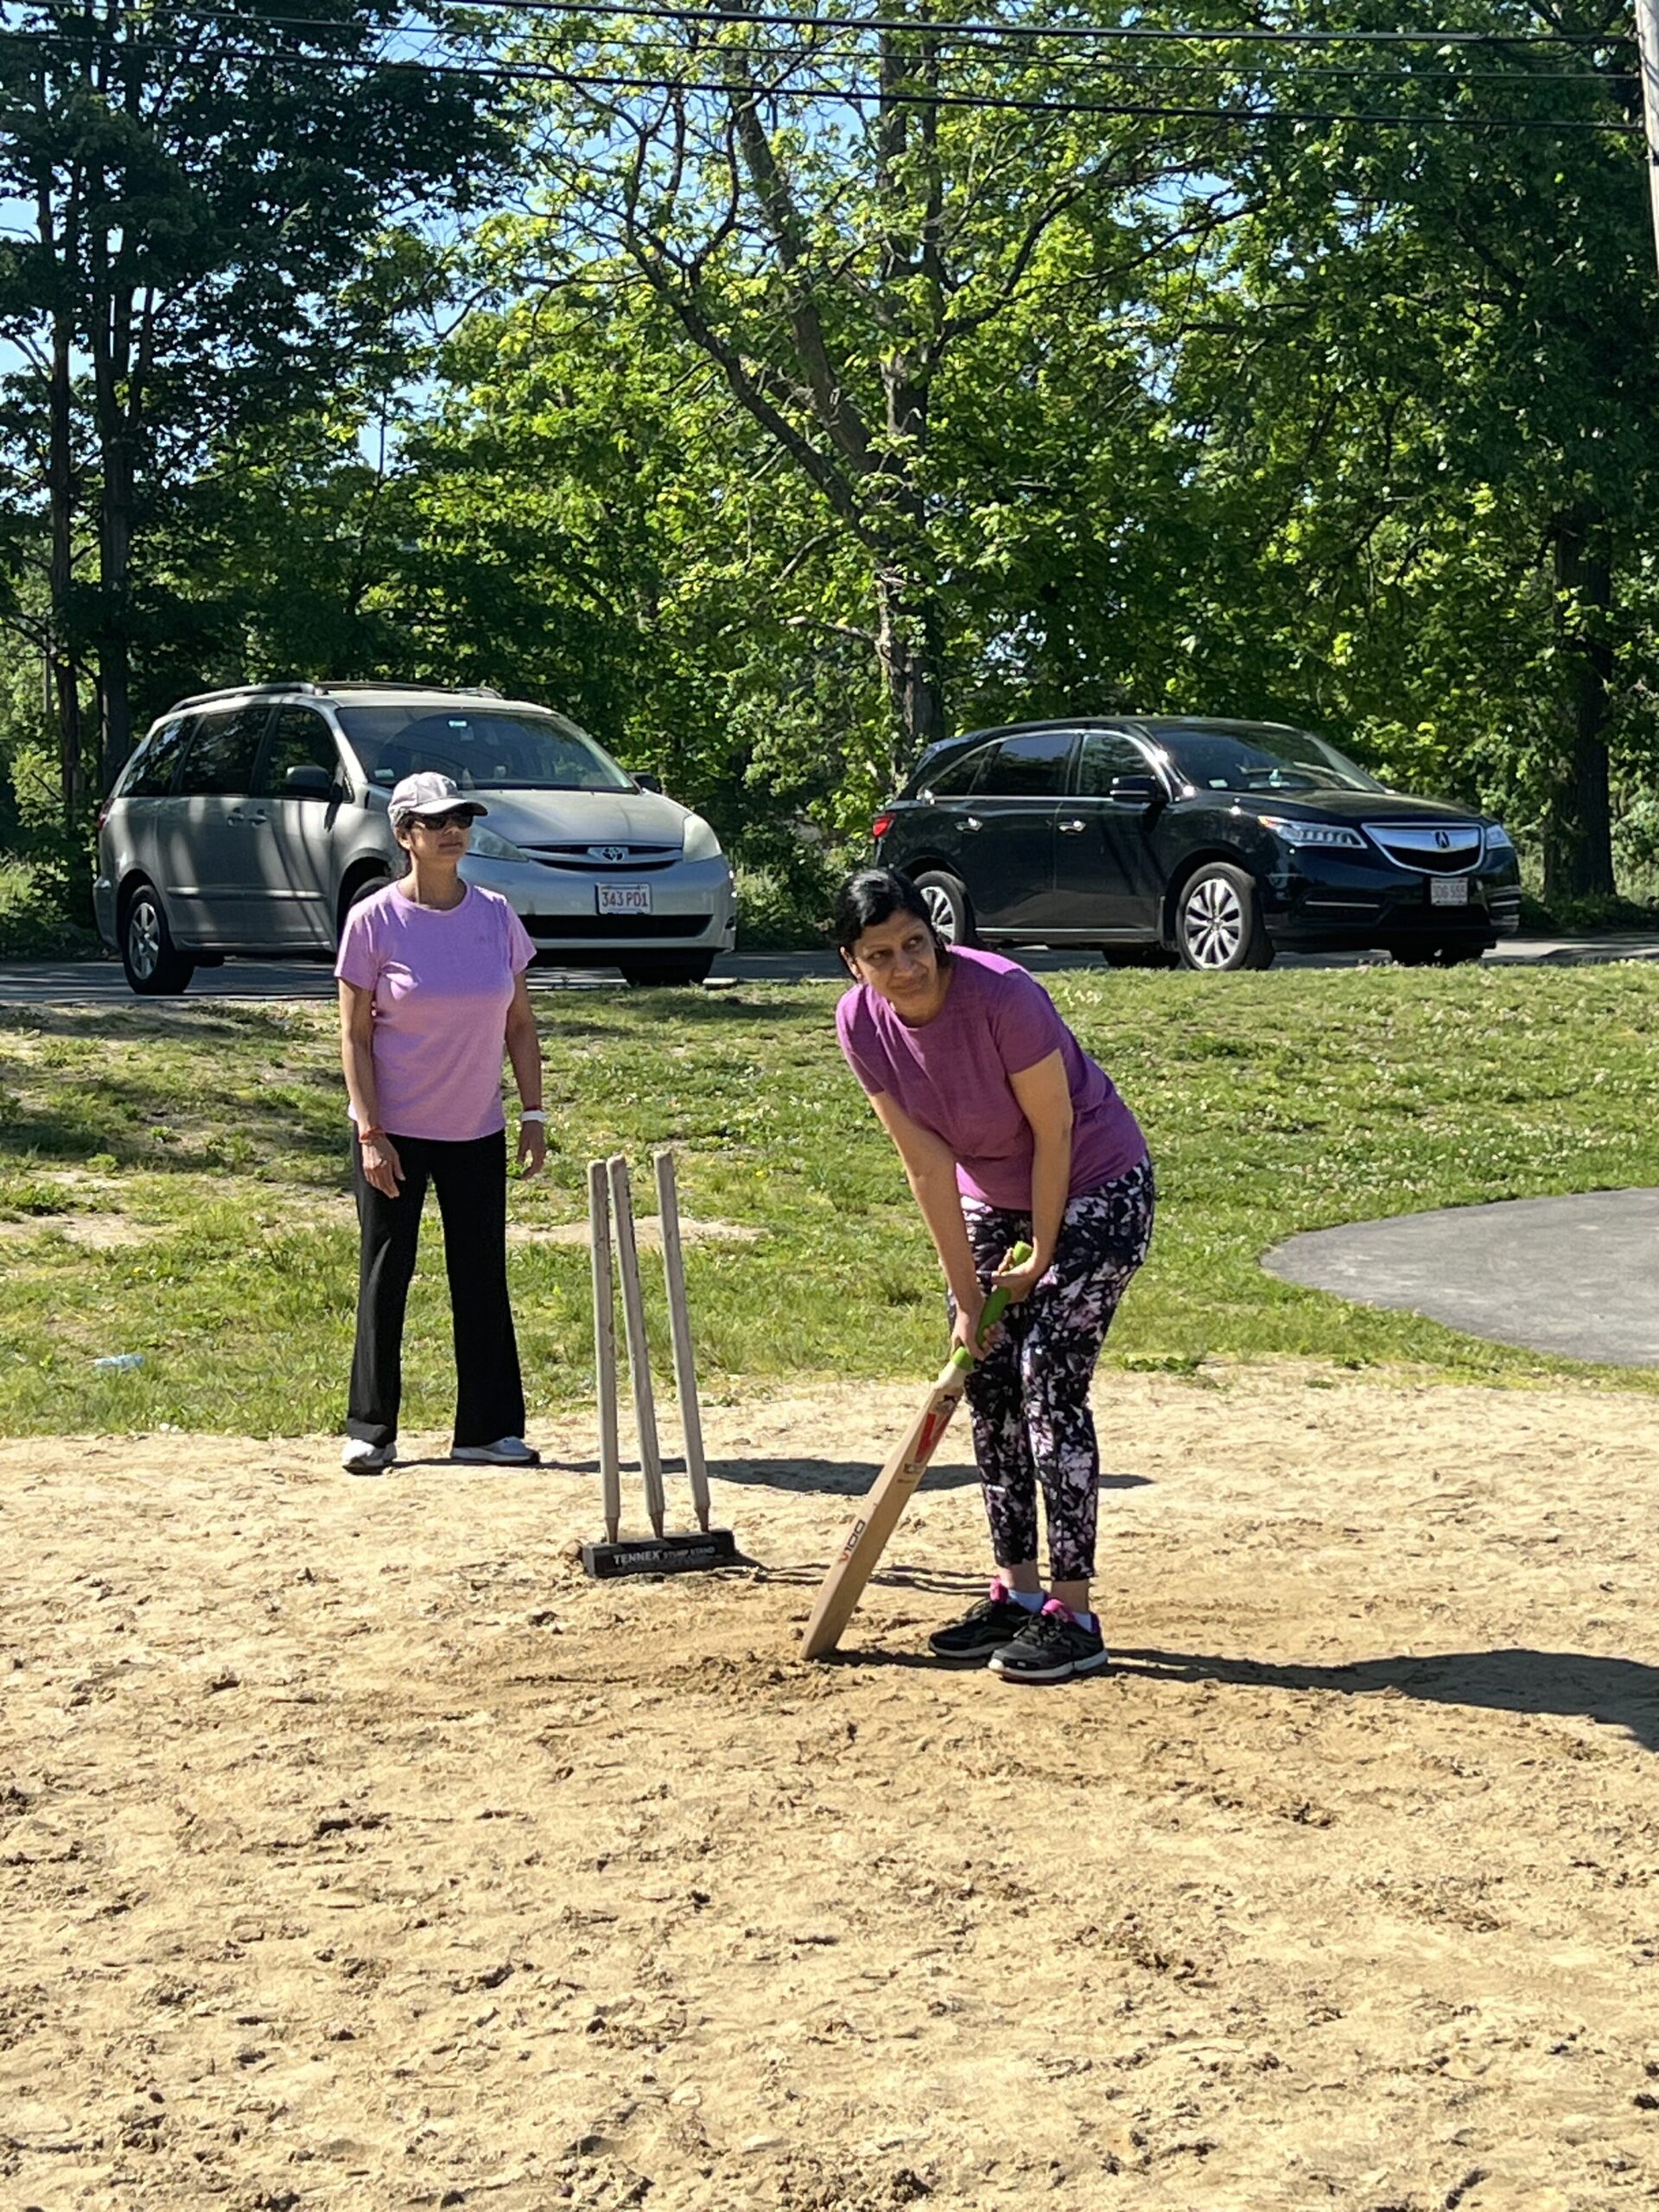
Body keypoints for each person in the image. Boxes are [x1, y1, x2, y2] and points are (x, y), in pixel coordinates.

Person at [834, 868, 1154, 1684]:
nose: (908, 966)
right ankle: (1015, 1591)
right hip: (991, 1196)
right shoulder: (860, 1023)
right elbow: (926, 1167)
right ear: (853, 963)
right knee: (988, 1383)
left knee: (1048, 1379)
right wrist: (968, 1299)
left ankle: (1074, 1613)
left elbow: (1056, 1133)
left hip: (1095, 1183)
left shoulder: (1005, 996)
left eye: (917, 943)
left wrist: (1044, 1250)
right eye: (883, 955)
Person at [335, 771, 547, 1474]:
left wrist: (533, 1112)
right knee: (385, 1276)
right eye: (434, 822)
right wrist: (370, 1131)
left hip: (476, 1129)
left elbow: (520, 1025)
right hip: (395, 1132)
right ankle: (372, 1428)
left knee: (482, 1276)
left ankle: (486, 1429)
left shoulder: (495, 915)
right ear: (404, 835)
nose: (452, 831)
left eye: (461, 818)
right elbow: (355, 1036)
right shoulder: (373, 920)